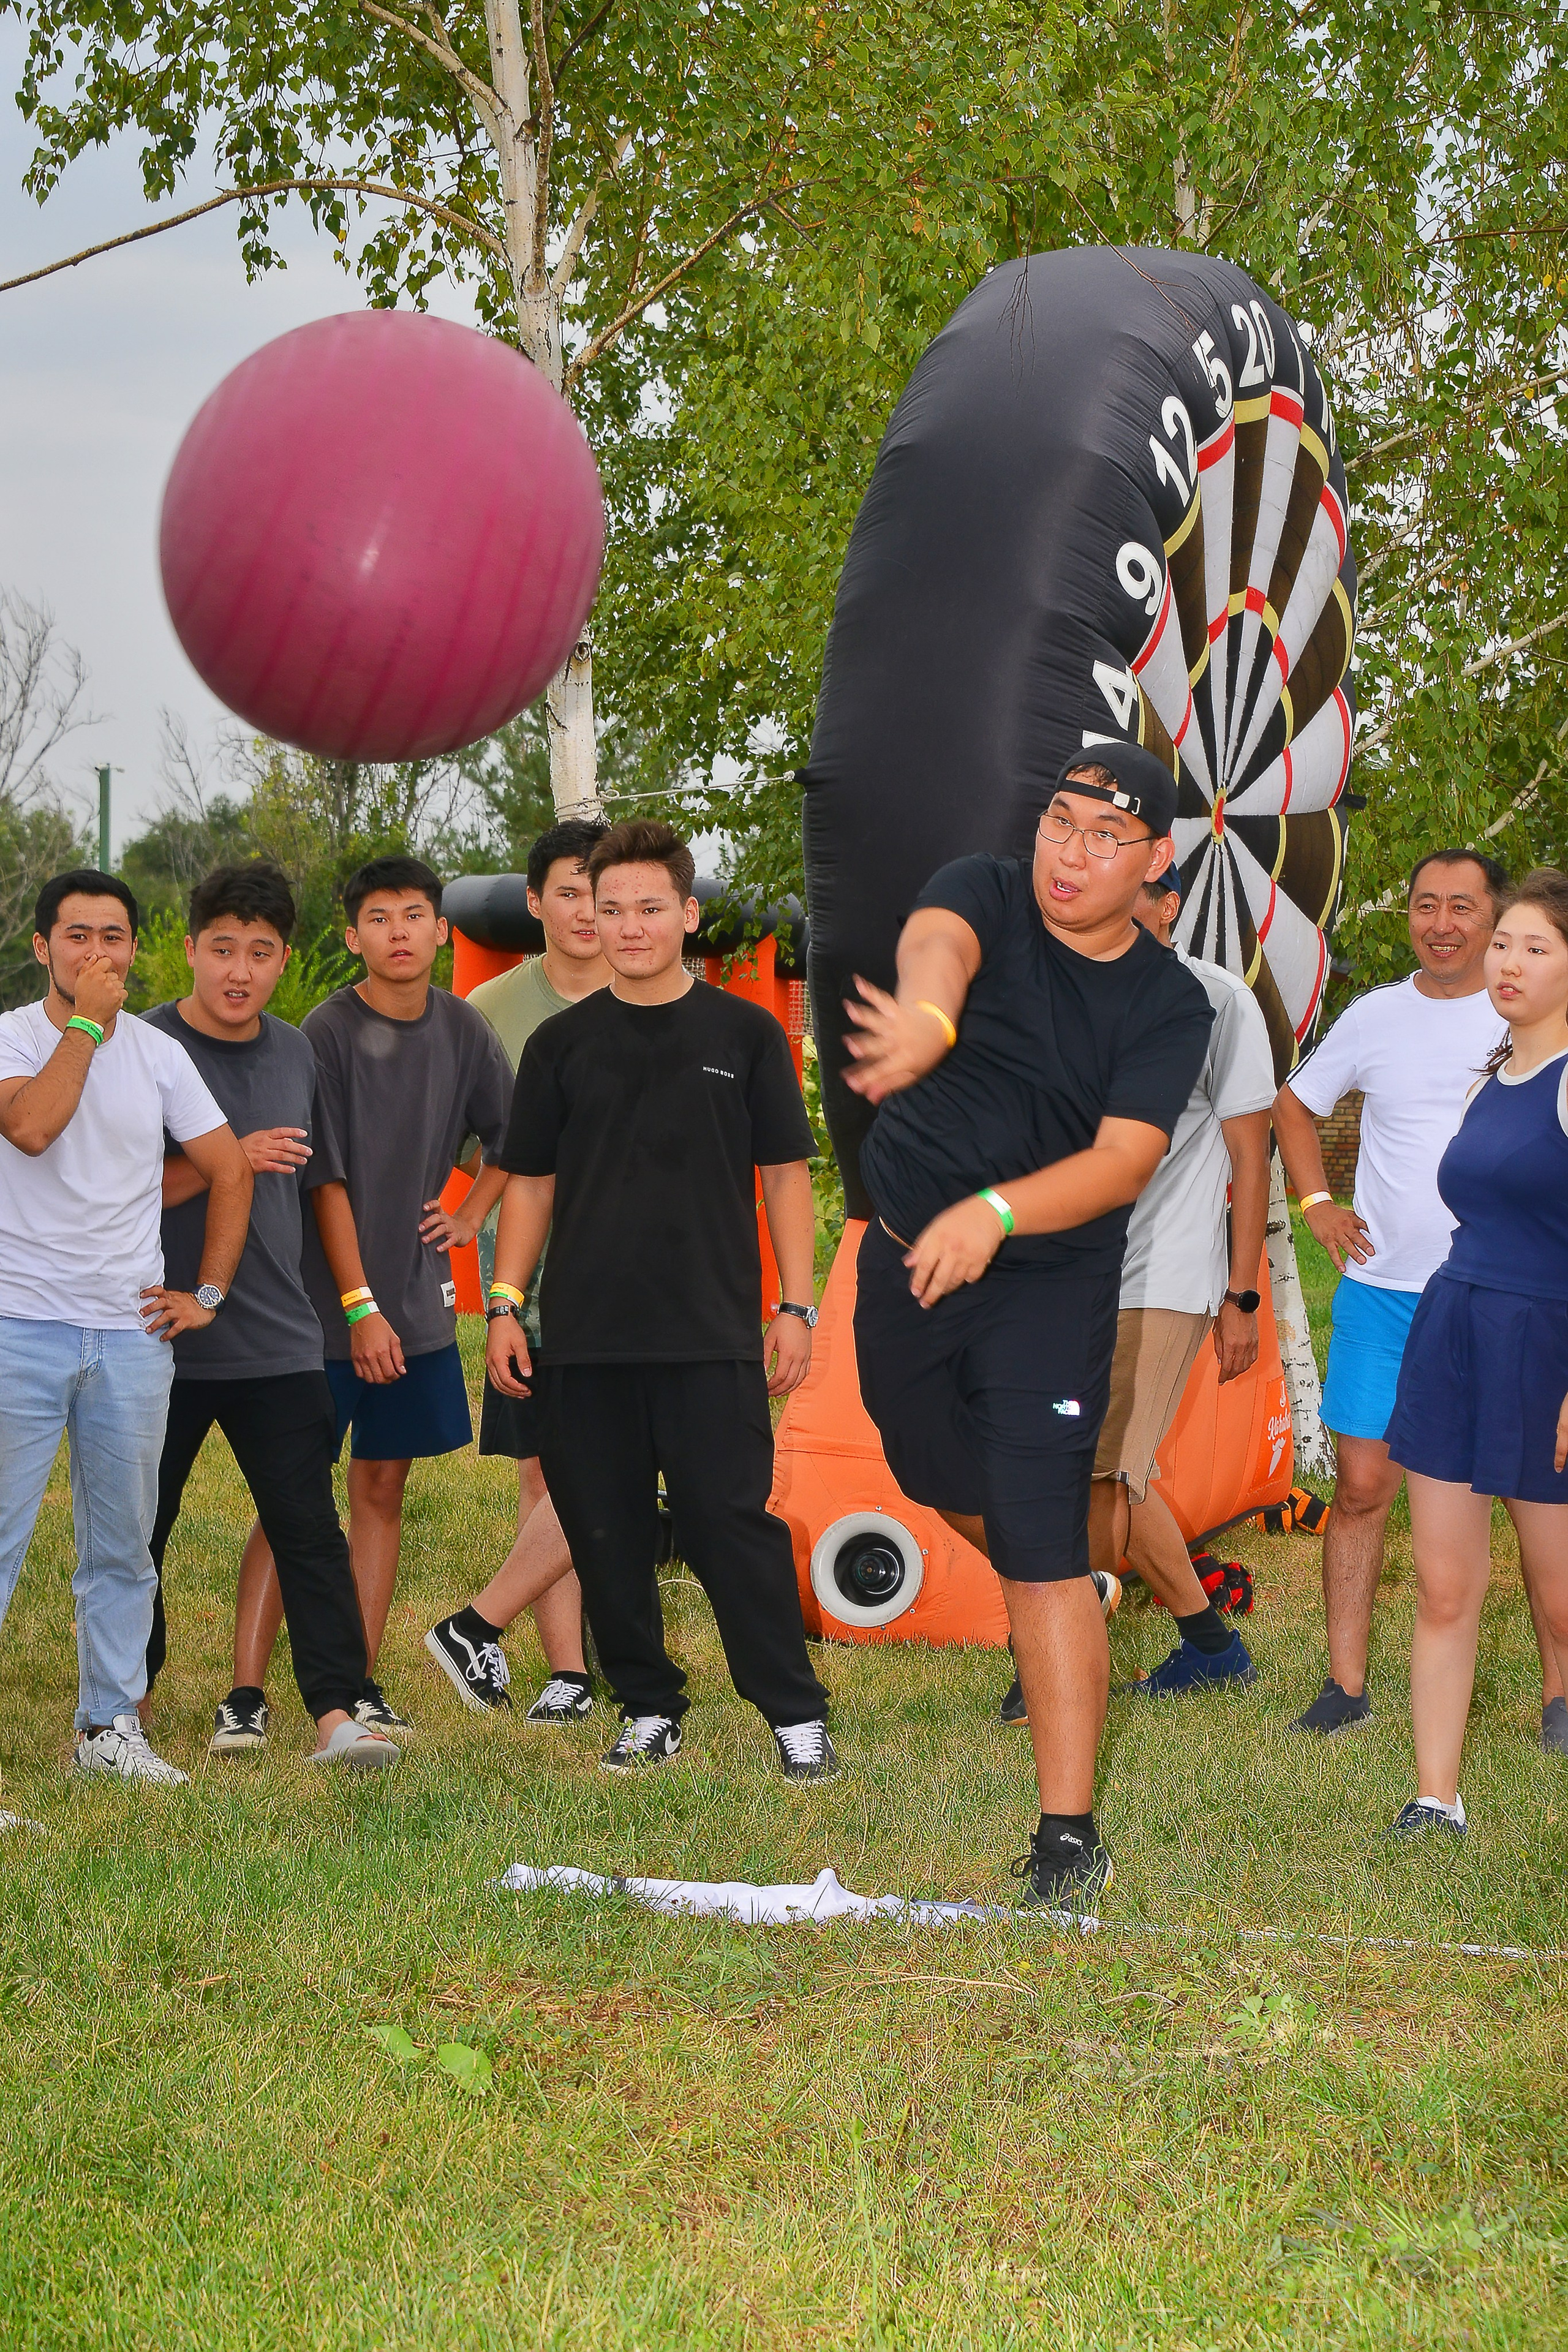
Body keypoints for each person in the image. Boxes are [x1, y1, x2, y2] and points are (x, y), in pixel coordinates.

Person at [844, 745, 1215, 1912]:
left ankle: (1068, 1840)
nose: (1071, 853)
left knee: (1042, 1551)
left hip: (1045, 1283)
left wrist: (996, 1215)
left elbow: (1121, 1163)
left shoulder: (1169, 1001)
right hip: (908, 1246)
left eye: (1106, 838)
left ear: (1155, 859)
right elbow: (935, 942)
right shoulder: (989, 889)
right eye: (1060, 823)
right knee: (917, 1457)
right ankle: (1058, 1571)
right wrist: (931, 1020)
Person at [486, 817, 837, 1779]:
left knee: (733, 1528)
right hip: (586, 1341)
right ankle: (648, 1705)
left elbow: (784, 1179)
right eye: (611, 909)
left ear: (687, 913)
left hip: (712, 1336)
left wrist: (795, 1309)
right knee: (603, 1530)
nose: (629, 926)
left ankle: (794, 1713)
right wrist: (506, 1303)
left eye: (649, 907)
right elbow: (531, 1185)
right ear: (587, 919)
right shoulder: (559, 1047)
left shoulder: (747, 1033)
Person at [1275, 848, 1566, 1749]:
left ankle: (1560, 1698)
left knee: (1536, 1503)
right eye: (1426, 905)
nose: (1446, 924)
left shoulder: (1530, 1016)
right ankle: (1346, 1684)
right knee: (1362, 1487)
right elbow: (1294, 1103)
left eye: (1468, 910)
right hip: (1390, 1299)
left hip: (1516, 1311)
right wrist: (1317, 1202)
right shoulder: (1377, 1016)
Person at [239, 855, 514, 1735]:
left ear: (443, 930)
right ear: (352, 935)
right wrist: (360, 1307)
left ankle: (352, 1684)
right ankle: (245, 1693)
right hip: (323, 1313)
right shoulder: (325, 1031)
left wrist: (470, 1212)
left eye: (415, 915)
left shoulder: (465, 1029)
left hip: (417, 1305)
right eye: (380, 918)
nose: (399, 932)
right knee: (292, 1496)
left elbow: (515, 1137)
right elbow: (325, 1182)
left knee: (382, 1488)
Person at [995, 861, 1275, 1717]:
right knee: (1114, 1466)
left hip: (1162, 1274)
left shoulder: (1216, 1000)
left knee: (1096, 1472)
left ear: (1167, 904)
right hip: (1061, 1272)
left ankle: (1053, 1657)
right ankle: (1209, 1644)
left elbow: (1249, 1154)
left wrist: (1242, 1296)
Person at [141, 862, 396, 1768]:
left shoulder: (296, 1051)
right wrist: (227, 1160)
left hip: (282, 1341)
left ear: (286, 958)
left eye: (260, 952)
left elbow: (323, 1185)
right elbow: (112, 1187)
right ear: (189, 950)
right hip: (159, 1337)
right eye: (221, 950)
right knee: (138, 1536)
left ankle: (337, 1715)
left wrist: (359, 1303)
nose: (238, 971)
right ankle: (121, 1712)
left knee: (309, 1535)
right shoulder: (141, 1047)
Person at [0, 869, 251, 1783]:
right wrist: (85, 1029)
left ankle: (109, 1729)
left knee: (124, 1549)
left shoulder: (159, 1054)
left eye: (113, 936)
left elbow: (231, 1169)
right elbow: (32, 1127)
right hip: (17, 1325)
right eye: (77, 936)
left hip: (132, 1337)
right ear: (42, 948)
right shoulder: (14, 1038)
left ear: (136, 947)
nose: (97, 953)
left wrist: (208, 1294)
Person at [1381, 871, 1568, 1834]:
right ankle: (1435, 1794)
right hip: (1457, 1330)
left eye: (1537, 949)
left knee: (1561, 1597)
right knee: (1447, 1586)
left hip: (1548, 1346)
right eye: (1508, 944)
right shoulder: (1493, 1073)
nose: (1510, 962)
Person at [424, 818, 608, 1724]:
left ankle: (482, 1630)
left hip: (649, 1280)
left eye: (599, 891)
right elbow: (457, 1143)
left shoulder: (660, 991)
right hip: (531, 1290)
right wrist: (461, 1220)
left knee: (610, 1467)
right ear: (533, 902)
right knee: (550, 1477)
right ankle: (567, 1675)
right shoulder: (488, 1011)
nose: (585, 910)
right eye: (566, 892)